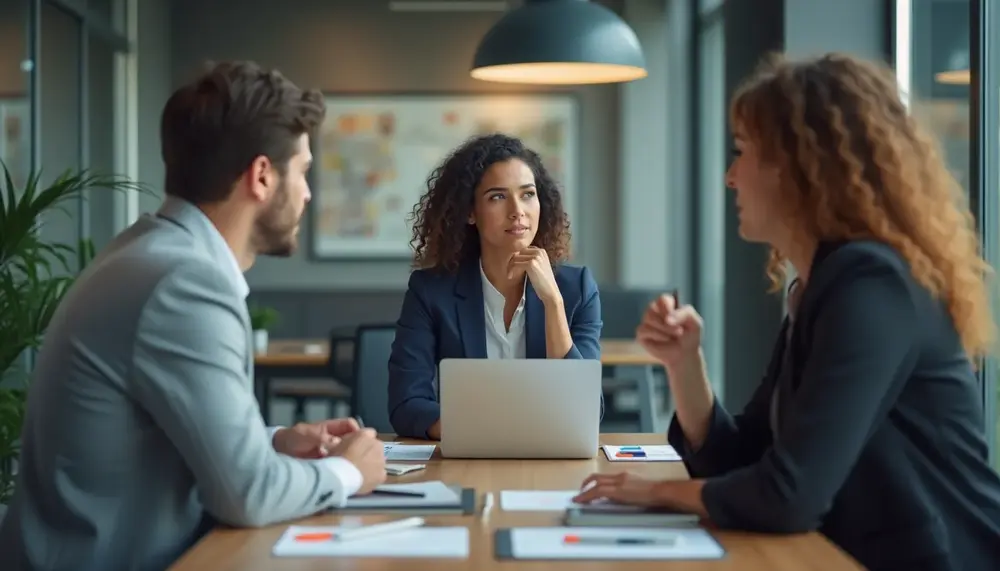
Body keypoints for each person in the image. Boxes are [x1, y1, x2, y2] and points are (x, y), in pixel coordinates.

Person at [573, 53, 1000, 571]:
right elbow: (746, 459)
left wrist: (658, 492)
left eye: (742, 152)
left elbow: (788, 495)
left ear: (801, 168)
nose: (730, 177)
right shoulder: (820, 284)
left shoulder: (871, 284)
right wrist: (686, 366)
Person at [0, 61, 387, 571]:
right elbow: (249, 495)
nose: (309, 193)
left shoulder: (149, 250)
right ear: (263, 176)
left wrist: (274, 441)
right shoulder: (184, 283)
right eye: (305, 170)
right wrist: (347, 472)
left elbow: (163, 436)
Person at [387, 133, 603, 440]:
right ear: (471, 212)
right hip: (467, 457)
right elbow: (406, 403)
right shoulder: (431, 291)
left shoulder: (576, 289)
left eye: (528, 194)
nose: (517, 210)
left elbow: (587, 409)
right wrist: (476, 432)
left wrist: (553, 303)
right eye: (497, 197)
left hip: (551, 458)